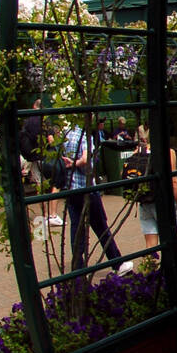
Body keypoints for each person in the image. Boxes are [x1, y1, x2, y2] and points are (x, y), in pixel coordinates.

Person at [60, 121, 133, 275]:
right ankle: (117, 262)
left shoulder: (64, 136)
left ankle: (78, 267)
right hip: (87, 189)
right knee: (101, 227)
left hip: (71, 189)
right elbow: (86, 159)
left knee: (76, 228)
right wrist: (76, 163)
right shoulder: (83, 135)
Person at [135, 126, 177, 255]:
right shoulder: (168, 152)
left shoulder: (139, 151)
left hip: (145, 201)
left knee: (151, 245)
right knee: (176, 240)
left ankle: (149, 272)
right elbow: (174, 182)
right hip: (163, 201)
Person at [21, 98, 63, 227]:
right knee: (55, 183)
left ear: (34, 106)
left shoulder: (27, 122)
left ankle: (44, 215)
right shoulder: (44, 121)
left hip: (33, 159)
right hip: (46, 157)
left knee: (40, 186)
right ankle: (53, 215)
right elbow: (51, 140)